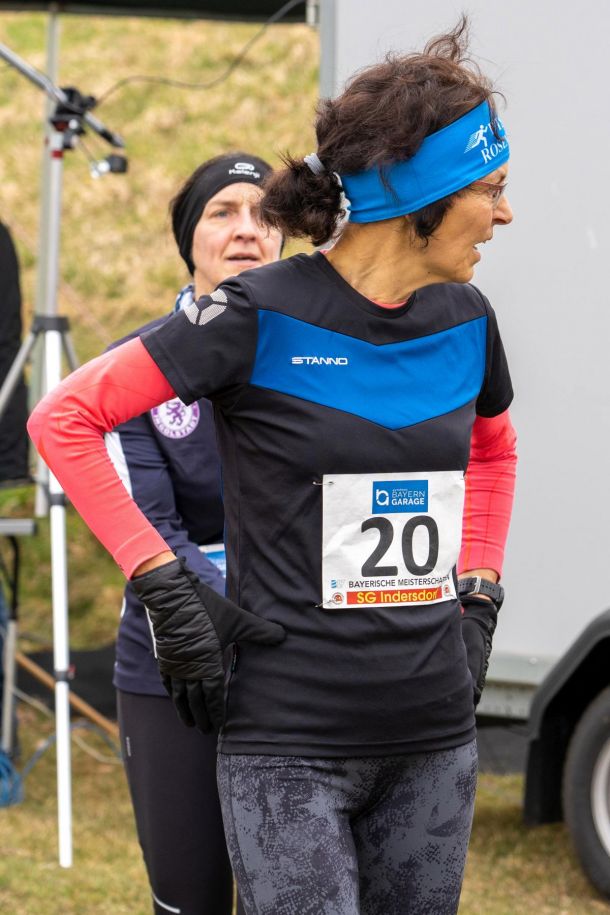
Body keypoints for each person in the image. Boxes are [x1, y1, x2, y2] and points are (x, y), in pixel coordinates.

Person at [29, 21, 517, 915]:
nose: (505, 214)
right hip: (290, 742)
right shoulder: (256, 314)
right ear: (422, 195)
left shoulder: (468, 318)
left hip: (433, 737)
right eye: (491, 190)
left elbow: (493, 447)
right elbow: (64, 418)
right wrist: (163, 582)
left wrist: (480, 586)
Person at [104, 153, 282, 915]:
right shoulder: (135, 364)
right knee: (190, 896)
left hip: (301, 660)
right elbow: (147, 523)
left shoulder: (321, 359)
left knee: (298, 890)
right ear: (190, 238)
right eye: (223, 212)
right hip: (173, 662)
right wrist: (235, 610)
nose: (247, 230)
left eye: (265, 214)